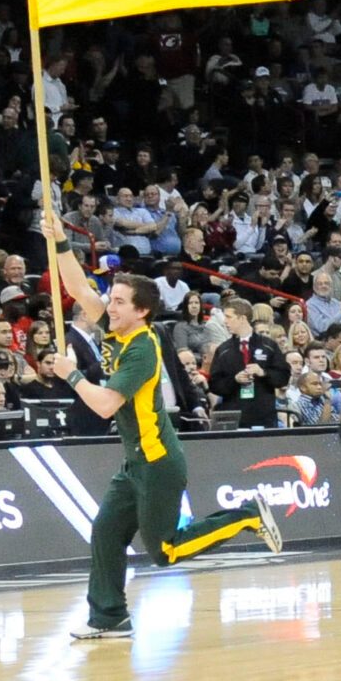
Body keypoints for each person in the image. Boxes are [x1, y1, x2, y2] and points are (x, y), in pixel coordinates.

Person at [49, 274, 283, 641]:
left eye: (120, 302)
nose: (110, 306)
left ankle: (247, 516)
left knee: (166, 551)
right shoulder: (118, 329)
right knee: (107, 533)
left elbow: (107, 406)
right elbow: (79, 289)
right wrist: (58, 235)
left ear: (141, 311)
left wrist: (72, 375)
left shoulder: (142, 348)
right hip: (135, 462)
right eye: (111, 301)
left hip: (157, 461)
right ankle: (109, 616)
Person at [203, 296, 290, 429]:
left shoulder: (269, 345)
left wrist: (263, 373)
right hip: (234, 417)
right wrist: (234, 380)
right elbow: (214, 384)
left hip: (263, 416)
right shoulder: (223, 349)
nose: (225, 321)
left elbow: (283, 377)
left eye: (228, 317)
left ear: (242, 318)